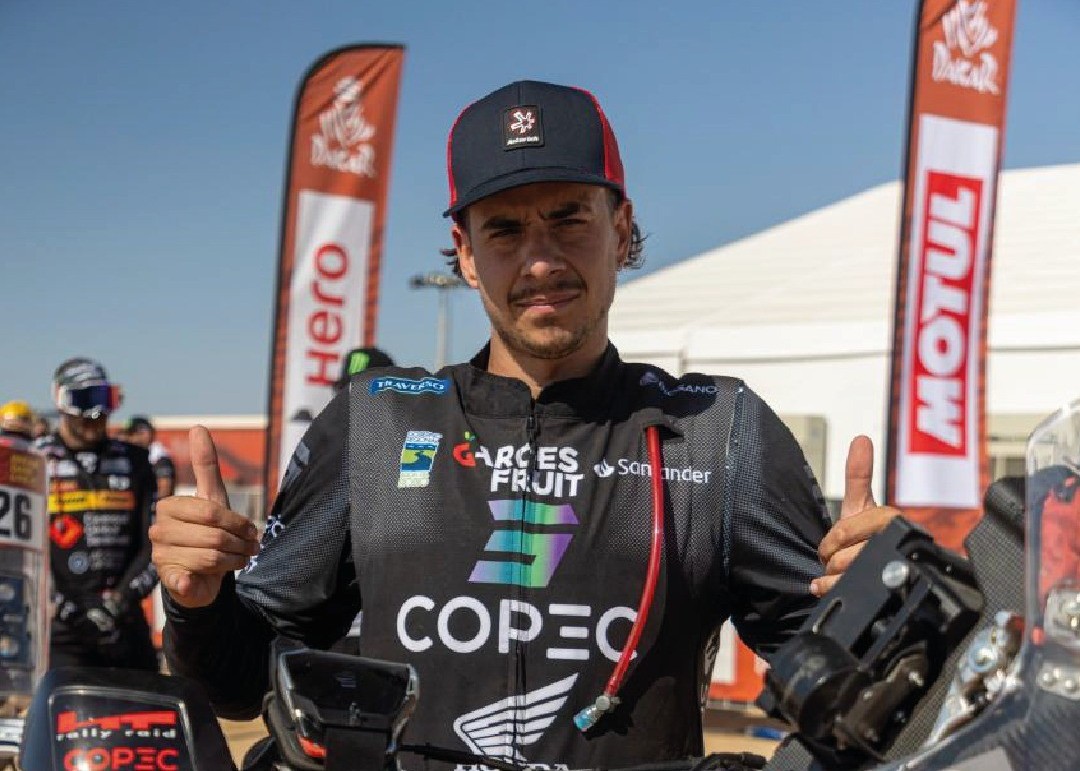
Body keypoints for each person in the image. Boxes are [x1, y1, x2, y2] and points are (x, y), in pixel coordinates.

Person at [152, 80, 896, 768]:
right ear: (467, 255)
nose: (540, 261)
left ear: (621, 228)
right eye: (504, 231)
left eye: (569, 218)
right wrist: (197, 601)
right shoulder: (378, 422)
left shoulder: (714, 429)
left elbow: (856, 693)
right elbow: (240, 683)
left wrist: (886, 598)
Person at [34, 357, 160, 671]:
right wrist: (71, 609)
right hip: (62, 628)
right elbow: (26, 551)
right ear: (61, 401)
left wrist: (119, 601)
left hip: (124, 621)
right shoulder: (35, 461)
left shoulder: (136, 460)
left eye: (105, 398)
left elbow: (155, 544)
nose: (97, 413)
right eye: (85, 400)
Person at [125, 415, 177, 499]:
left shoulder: (159, 457)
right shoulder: (129, 456)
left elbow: (164, 491)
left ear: (150, 433)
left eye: (140, 433)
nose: (135, 438)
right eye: (130, 434)